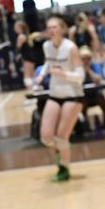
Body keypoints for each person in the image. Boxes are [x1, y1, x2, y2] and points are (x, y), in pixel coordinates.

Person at [34, 14, 85, 182]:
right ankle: (62, 152)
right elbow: (48, 63)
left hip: (73, 94)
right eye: (49, 27)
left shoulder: (71, 47)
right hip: (55, 93)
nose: (51, 30)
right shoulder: (47, 46)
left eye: (55, 27)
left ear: (62, 29)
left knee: (62, 137)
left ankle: (64, 167)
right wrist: (41, 75)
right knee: (46, 136)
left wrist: (64, 74)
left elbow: (80, 76)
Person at [79, 46, 105, 134]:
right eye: (83, 59)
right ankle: (84, 125)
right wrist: (83, 71)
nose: (86, 61)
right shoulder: (77, 68)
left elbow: (98, 79)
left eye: (88, 58)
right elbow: (79, 81)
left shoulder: (95, 66)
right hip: (83, 95)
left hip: (95, 93)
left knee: (102, 100)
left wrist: (88, 70)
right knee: (81, 104)